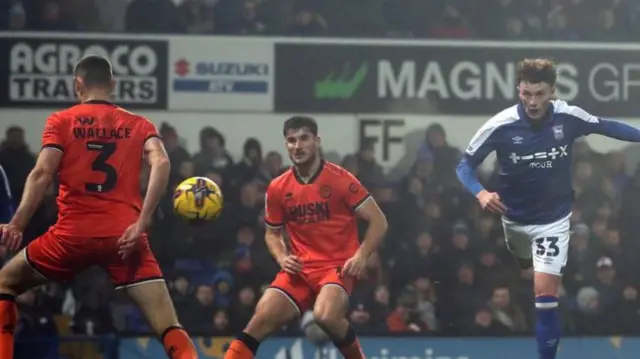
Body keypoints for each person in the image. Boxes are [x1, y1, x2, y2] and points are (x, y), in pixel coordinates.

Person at [0, 55, 198, 359]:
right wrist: (143, 221)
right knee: (168, 325)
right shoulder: (139, 124)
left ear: (77, 84)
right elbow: (161, 161)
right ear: (113, 84)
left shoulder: (61, 121)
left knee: (6, 282)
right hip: (124, 238)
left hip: (70, 237)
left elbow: (42, 174)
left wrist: (17, 223)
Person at [456, 58, 640, 359]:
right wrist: (480, 193)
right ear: (519, 90)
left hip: (553, 220)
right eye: (526, 93)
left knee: (544, 295)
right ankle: (525, 261)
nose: (532, 101)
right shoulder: (500, 125)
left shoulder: (568, 116)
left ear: (552, 91)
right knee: (523, 262)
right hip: (512, 218)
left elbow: (606, 126)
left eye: (540, 94)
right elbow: (465, 165)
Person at [225, 116, 388, 359]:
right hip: (300, 269)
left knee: (325, 315)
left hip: (336, 268)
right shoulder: (278, 187)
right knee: (259, 319)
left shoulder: (340, 179)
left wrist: (361, 255)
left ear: (317, 141)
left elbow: (379, 221)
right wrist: (282, 257)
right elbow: (272, 233)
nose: (297, 146)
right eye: (291, 140)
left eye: (304, 138)